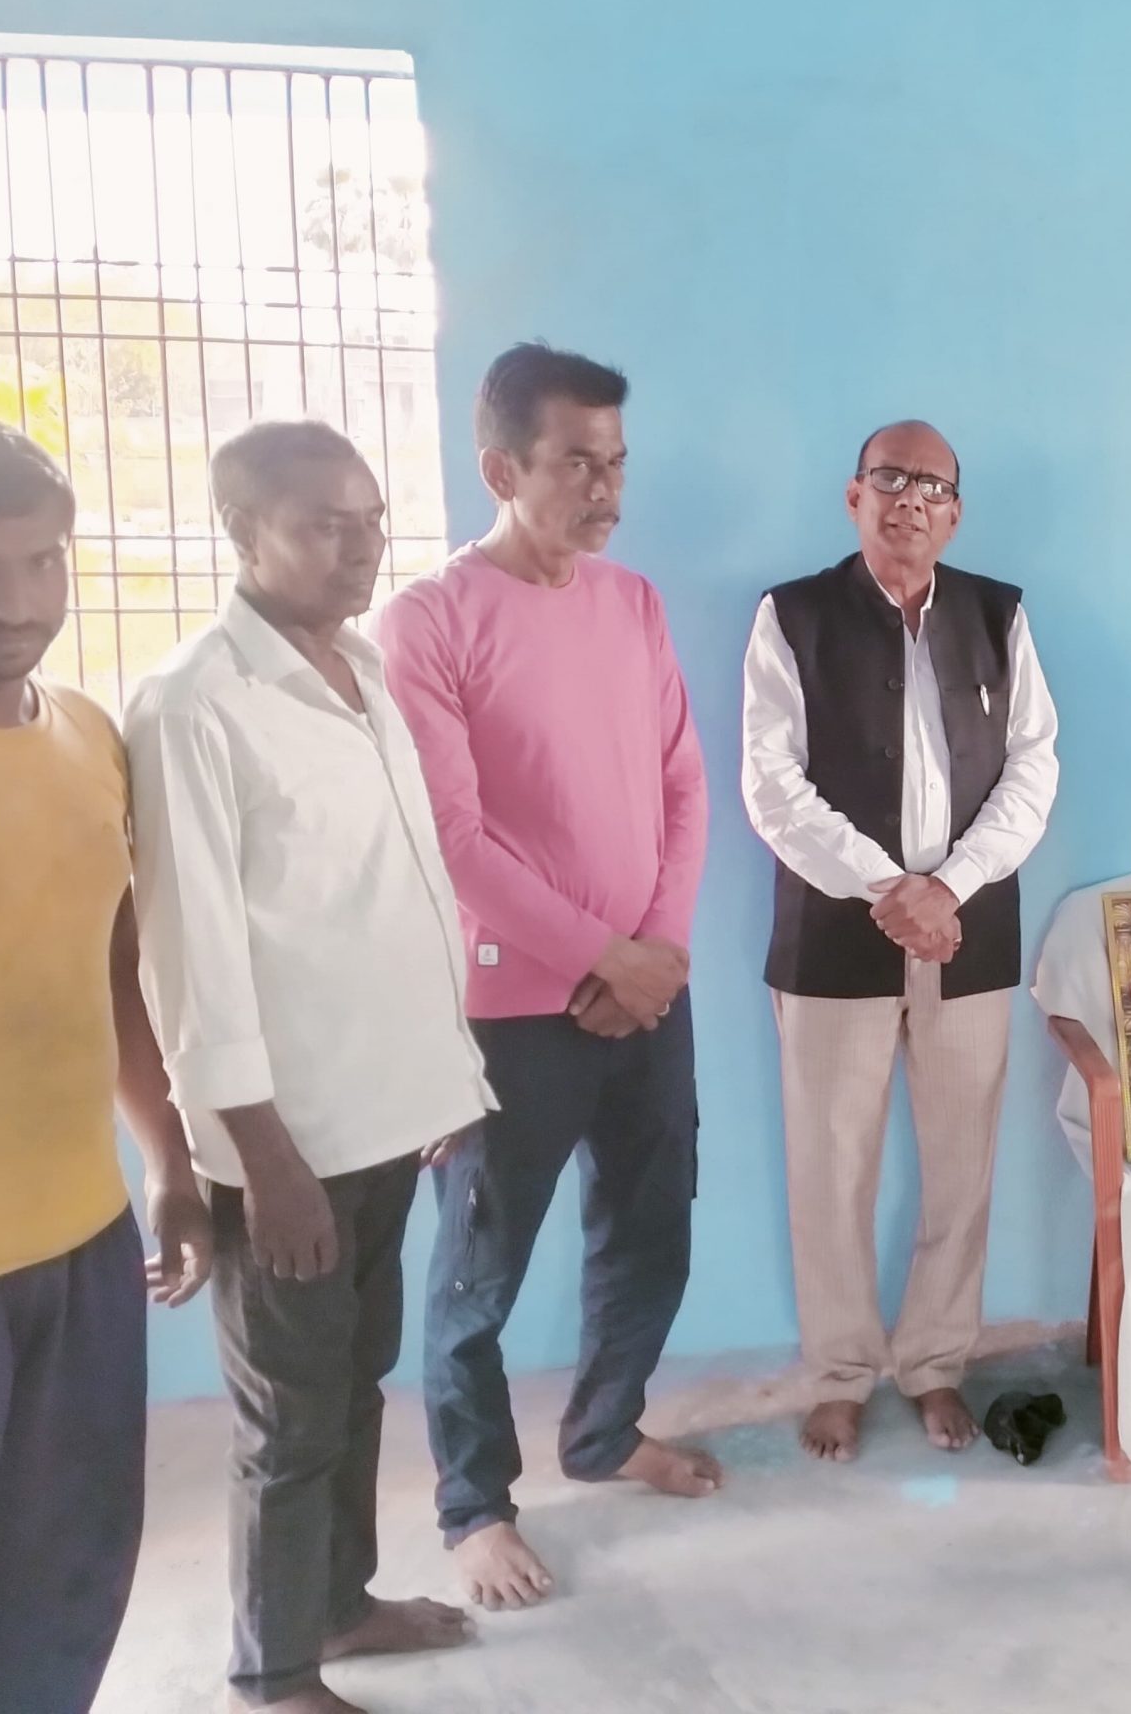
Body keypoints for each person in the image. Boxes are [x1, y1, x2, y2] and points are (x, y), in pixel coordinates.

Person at [128, 421, 496, 1713]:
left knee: (352, 1382)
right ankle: (275, 1671)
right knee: (288, 1418)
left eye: (371, 519)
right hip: (286, 1144)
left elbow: (390, 896)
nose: (360, 547)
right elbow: (193, 956)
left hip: (384, 1110)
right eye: (324, 524)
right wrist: (262, 1159)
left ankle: (340, 1602)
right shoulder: (195, 704)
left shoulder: (359, 667)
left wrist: (438, 1081)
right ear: (242, 532)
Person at [0, 422, 211, 1714]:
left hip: (79, 1240)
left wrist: (167, 1157)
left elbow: (112, 967)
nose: (17, 601)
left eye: (43, 562)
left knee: (70, 1576)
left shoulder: (84, 736)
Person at [378, 345, 717, 1613]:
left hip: (648, 989)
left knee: (652, 1224)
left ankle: (604, 1428)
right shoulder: (428, 621)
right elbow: (453, 837)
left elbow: (683, 782)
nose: (605, 487)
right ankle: (473, 1503)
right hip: (510, 1010)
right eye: (576, 462)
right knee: (478, 1271)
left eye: (616, 460)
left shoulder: (632, 602)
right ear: (500, 467)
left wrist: (656, 950)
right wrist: (602, 955)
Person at [742, 419, 1059, 1463]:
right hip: (834, 935)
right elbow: (770, 783)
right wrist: (891, 890)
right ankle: (839, 1373)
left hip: (969, 931)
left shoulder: (997, 614)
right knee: (830, 1164)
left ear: (955, 512)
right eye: (889, 478)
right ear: (854, 496)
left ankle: (935, 1363)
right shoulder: (791, 616)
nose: (909, 499)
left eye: (931, 485)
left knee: (961, 1163)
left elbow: (1033, 766)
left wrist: (950, 887)